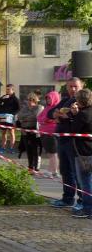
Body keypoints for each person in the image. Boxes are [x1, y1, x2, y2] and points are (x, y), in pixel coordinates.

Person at [49, 77, 84, 210]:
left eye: (76, 86)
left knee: (77, 172)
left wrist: (68, 116)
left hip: (75, 142)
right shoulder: (65, 100)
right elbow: (50, 113)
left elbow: (85, 117)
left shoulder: (84, 101)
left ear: (81, 86)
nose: (73, 89)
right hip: (62, 140)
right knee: (65, 171)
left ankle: (82, 200)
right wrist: (56, 114)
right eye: (70, 86)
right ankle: (67, 199)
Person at [71, 88, 92, 218]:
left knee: (85, 181)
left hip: (84, 151)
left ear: (79, 100)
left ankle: (88, 209)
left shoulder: (83, 114)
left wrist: (74, 115)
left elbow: (73, 130)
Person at [17, 92, 43, 173]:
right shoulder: (24, 108)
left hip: (35, 132)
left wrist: (25, 118)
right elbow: (19, 116)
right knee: (29, 150)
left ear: (35, 100)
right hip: (25, 131)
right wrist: (28, 117)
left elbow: (36, 116)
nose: (29, 101)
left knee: (35, 150)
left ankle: (36, 167)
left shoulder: (39, 107)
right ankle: (30, 167)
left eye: (32, 99)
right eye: (28, 99)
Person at [37, 90, 61, 178]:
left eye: (50, 98)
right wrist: (45, 120)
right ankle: (53, 171)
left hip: (51, 133)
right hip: (44, 133)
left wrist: (45, 120)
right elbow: (39, 117)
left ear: (55, 98)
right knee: (50, 153)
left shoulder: (57, 108)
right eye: (47, 99)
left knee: (53, 153)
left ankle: (51, 171)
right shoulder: (47, 108)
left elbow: (51, 119)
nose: (48, 100)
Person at [0, 84, 20, 153]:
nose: (7, 91)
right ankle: (3, 148)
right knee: (3, 132)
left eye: (8, 89)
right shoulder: (4, 96)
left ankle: (11, 148)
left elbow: (18, 108)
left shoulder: (15, 99)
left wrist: (12, 114)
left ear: (12, 90)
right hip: (3, 117)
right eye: (6, 89)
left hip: (11, 118)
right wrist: (2, 98)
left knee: (11, 132)